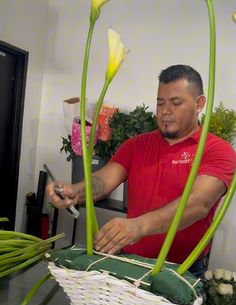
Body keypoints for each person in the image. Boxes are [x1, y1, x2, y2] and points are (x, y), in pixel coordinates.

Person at [47, 65, 236, 277]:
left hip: (182, 270)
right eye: (160, 102)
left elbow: (198, 203)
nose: (165, 111)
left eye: (176, 103)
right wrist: (76, 190)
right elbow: (103, 180)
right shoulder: (137, 145)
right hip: (131, 261)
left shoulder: (216, 150)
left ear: (199, 103)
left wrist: (139, 226)